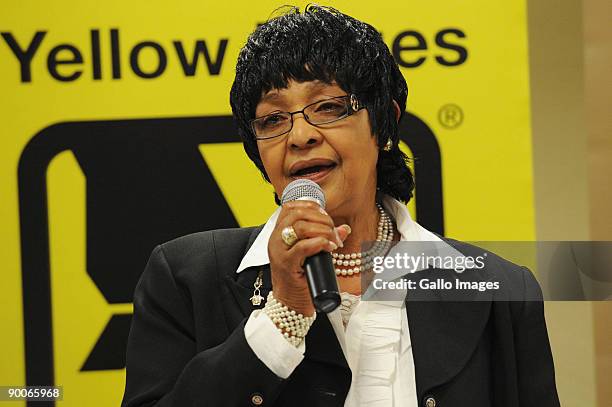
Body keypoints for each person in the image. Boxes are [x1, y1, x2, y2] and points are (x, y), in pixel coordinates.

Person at [122, 5, 560, 407]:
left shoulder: (498, 291)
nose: (299, 136)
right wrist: (284, 315)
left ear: (383, 122)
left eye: (328, 107)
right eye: (272, 119)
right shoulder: (185, 279)